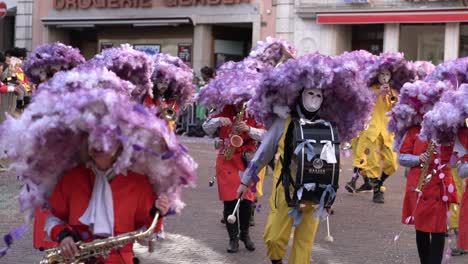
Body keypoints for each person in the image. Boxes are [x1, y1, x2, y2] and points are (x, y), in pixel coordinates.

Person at [237, 53, 374, 264]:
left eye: (319, 95)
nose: (314, 99)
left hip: (315, 190)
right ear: (299, 93)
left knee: (304, 244)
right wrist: (246, 180)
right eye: (310, 93)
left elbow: (333, 161)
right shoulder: (284, 121)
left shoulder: (328, 125)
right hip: (285, 187)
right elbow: (264, 152)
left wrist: (330, 194)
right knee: (274, 238)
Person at [46, 145, 169, 263]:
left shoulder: (139, 183)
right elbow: (53, 218)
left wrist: (157, 215)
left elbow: (147, 238)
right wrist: (63, 236)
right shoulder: (72, 177)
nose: (98, 145)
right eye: (93, 139)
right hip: (76, 258)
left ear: (120, 146)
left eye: (107, 140)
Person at [203, 101, 265, 253]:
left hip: (247, 158)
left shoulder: (256, 111)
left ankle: (245, 234)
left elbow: (266, 135)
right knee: (229, 199)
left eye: (243, 99)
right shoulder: (223, 108)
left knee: (247, 200)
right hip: (227, 158)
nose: (240, 103)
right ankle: (233, 238)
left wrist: (249, 129)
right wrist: (219, 120)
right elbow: (206, 128)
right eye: (236, 99)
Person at [353, 52, 415, 203]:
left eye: (387, 74)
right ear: (377, 76)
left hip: (388, 132)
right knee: (372, 162)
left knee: (392, 163)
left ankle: (380, 182)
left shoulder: (393, 91)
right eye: (382, 74)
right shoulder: (370, 90)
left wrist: (393, 98)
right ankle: (376, 191)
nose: (385, 77)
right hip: (373, 131)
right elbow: (364, 104)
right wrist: (377, 94)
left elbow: (397, 107)